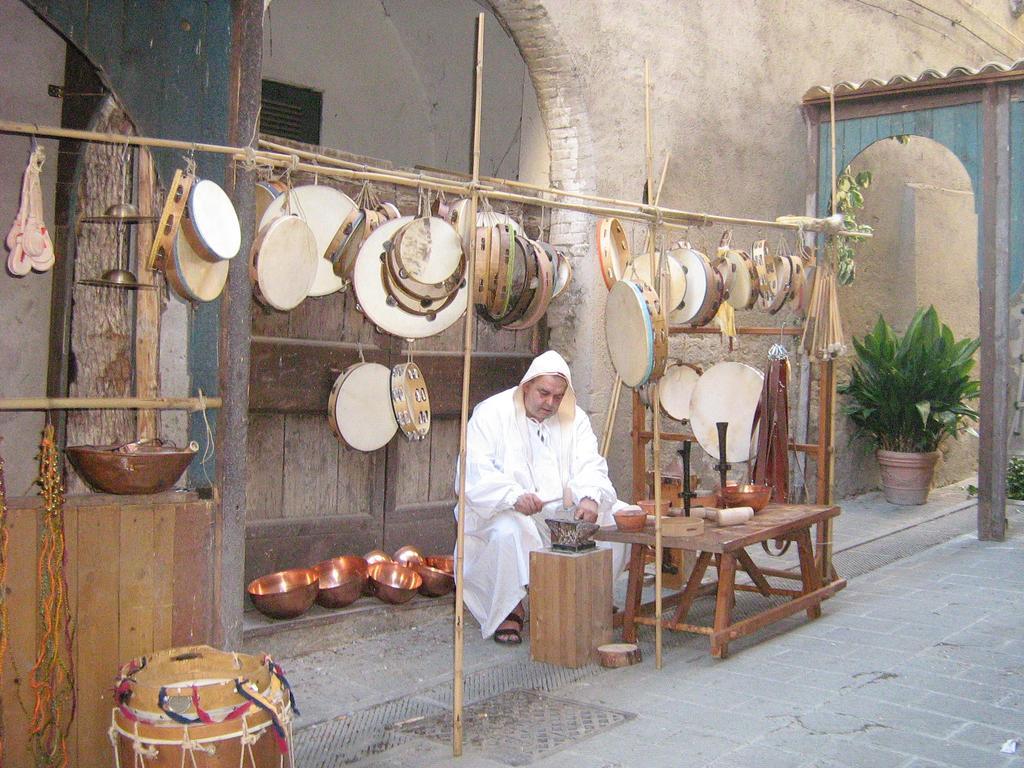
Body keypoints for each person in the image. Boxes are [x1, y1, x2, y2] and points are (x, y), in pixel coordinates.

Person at [456, 350, 627, 644]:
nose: (550, 403)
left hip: (559, 509)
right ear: (527, 386)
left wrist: (590, 497)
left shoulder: (575, 418)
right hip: (502, 509)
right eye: (543, 393)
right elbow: (473, 471)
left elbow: (591, 463)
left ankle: (586, 598)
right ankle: (510, 608)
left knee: (617, 520)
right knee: (510, 531)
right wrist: (512, 496)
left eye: (558, 396)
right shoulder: (492, 413)